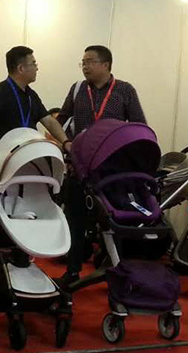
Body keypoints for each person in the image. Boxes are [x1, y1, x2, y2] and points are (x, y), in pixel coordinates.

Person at [56, 46, 146, 286]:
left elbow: (138, 126)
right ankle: (72, 270)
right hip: (79, 167)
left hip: (111, 170)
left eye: (90, 62)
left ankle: (115, 270)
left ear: (106, 64)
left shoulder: (124, 90)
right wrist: (66, 143)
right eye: (83, 62)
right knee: (73, 219)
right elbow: (61, 120)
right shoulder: (77, 89)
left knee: (113, 222)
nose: (85, 67)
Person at [0, 46, 69, 147]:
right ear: (21, 68)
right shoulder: (0, 91)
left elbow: (49, 121)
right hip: (8, 151)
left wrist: (66, 142)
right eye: (33, 63)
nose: (36, 68)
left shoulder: (31, 95)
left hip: (29, 149)